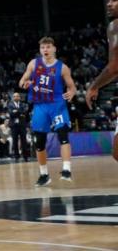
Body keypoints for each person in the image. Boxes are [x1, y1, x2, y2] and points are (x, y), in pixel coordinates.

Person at [19, 36, 77, 186]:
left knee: (63, 135)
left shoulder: (62, 67)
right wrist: (25, 83)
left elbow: (72, 86)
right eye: (43, 47)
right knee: (39, 141)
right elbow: (22, 81)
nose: (45, 50)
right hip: (40, 106)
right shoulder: (33, 63)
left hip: (57, 105)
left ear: (54, 49)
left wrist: (71, 92)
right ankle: (44, 175)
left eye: (48, 47)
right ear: (40, 50)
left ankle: (66, 170)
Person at [85, 0, 118, 162]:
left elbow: (114, 67)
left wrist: (94, 86)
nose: (109, 3)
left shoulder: (115, 25)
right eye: (109, 0)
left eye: (114, 0)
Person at [8, 92, 29, 162]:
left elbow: (25, 112)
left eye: (17, 96)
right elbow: (11, 113)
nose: (16, 97)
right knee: (15, 141)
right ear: (13, 98)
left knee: (24, 140)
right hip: (14, 125)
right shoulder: (10, 104)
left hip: (22, 125)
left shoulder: (23, 104)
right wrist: (20, 113)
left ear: (19, 97)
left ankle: (25, 156)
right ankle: (16, 156)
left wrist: (16, 111)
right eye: (14, 96)